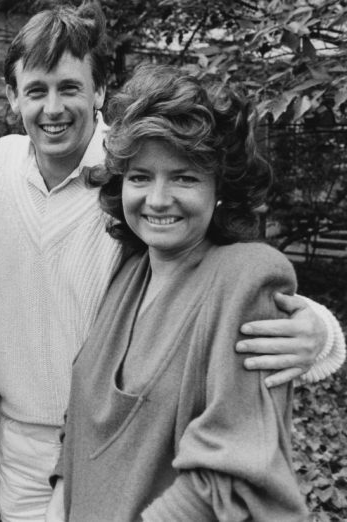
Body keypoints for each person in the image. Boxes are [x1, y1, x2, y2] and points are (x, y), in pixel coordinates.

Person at [0, 2, 345, 520]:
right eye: (36, 91)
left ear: (98, 91)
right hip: (30, 449)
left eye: (70, 87)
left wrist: (320, 332)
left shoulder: (130, 158)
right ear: (12, 97)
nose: (52, 108)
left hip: (135, 456)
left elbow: (228, 275)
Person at [46, 64, 309, 521]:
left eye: (184, 177)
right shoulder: (128, 269)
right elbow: (82, 424)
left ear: (219, 187)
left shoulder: (245, 280)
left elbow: (233, 473)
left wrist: (323, 336)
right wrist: (57, 506)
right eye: (140, 176)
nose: (158, 199)